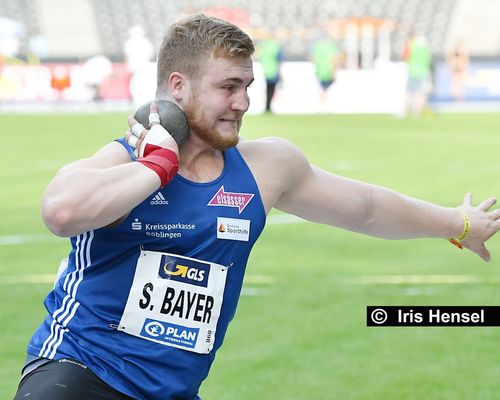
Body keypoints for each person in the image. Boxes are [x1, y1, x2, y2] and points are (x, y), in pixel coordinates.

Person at [14, 14, 500, 400]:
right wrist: (160, 164)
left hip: (173, 390)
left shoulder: (265, 168)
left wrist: (458, 224)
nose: (244, 101)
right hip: (78, 375)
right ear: (177, 87)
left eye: (247, 85)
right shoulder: (126, 159)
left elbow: (367, 208)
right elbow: (60, 211)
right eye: (228, 87)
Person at [402, 33, 433, 116]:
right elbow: (428, 60)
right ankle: (417, 112)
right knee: (419, 92)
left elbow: (406, 57)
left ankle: (405, 111)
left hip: (412, 71)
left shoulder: (412, 46)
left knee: (408, 92)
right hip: (422, 72)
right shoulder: (425, 48)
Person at [255, 29, 282, 113]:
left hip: (263, 71)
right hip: (273, 71)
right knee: (271, 90)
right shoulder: (275, 46)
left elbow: (257, 57)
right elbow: (279, 60)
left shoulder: (263, 46)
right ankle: (268, 107)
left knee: (267, 90)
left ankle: (267, 107)